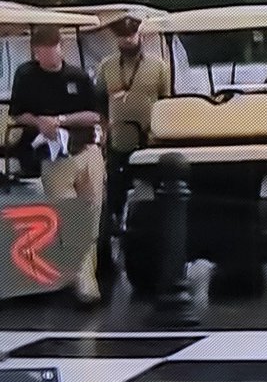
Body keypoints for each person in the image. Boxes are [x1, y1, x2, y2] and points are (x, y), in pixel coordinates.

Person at [8, 25, 106, 305]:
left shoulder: (77, 76)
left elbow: (93, 114)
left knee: (91, 216)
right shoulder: (26, 76)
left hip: (85, 150)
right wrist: (40, 122)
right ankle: (84, 283)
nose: (49, 56)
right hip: (53, 157)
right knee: (69, 218)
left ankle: (87, 275)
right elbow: (18, 114)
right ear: (36, 52)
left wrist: (61, 120)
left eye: (54, 50)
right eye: (43, 51)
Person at [95, 15, 170, 294]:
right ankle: (107, 253)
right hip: (118, 142)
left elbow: (167, 103)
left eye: (132, 36)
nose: (128, 41)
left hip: (150, 142)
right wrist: (103, 133)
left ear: (140, 36)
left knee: (153, 195)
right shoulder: (106, 67)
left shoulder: (158, 67)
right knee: (112, 196)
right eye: (122, 37)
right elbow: (99, 104)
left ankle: (155, 244)